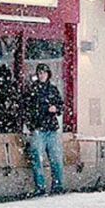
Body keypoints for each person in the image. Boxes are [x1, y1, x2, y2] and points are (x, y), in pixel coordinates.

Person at [23, 63, 65, 196]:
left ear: (48, 75)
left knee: (56, 159)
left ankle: (57, 187)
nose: (42, 75)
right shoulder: (32, 90)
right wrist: (31, 124)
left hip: (51, 129)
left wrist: (56, 109)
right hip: (38, 129)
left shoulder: (53, 89)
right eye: (40, 73)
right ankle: (40, 187)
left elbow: (61, 106)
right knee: (37, 159)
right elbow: (26, 109)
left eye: (44, 73)